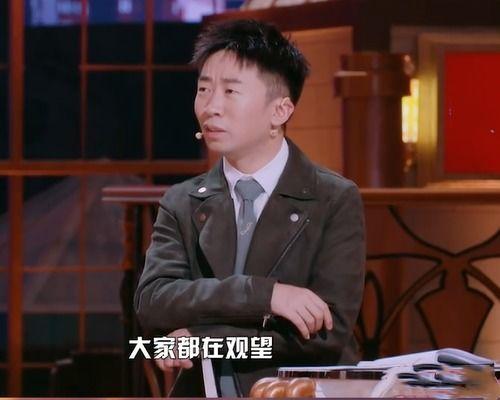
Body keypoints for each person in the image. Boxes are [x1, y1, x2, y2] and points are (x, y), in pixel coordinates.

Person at [134, 19, 365, 397]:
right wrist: (265, 295)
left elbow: (326, 333)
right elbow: (154, 303)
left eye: (230, 91)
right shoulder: (182, 200)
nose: (211, 107)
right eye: (204, 89)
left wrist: (202, 341)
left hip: (297, 391)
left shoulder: (333, 198)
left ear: (280, 110)